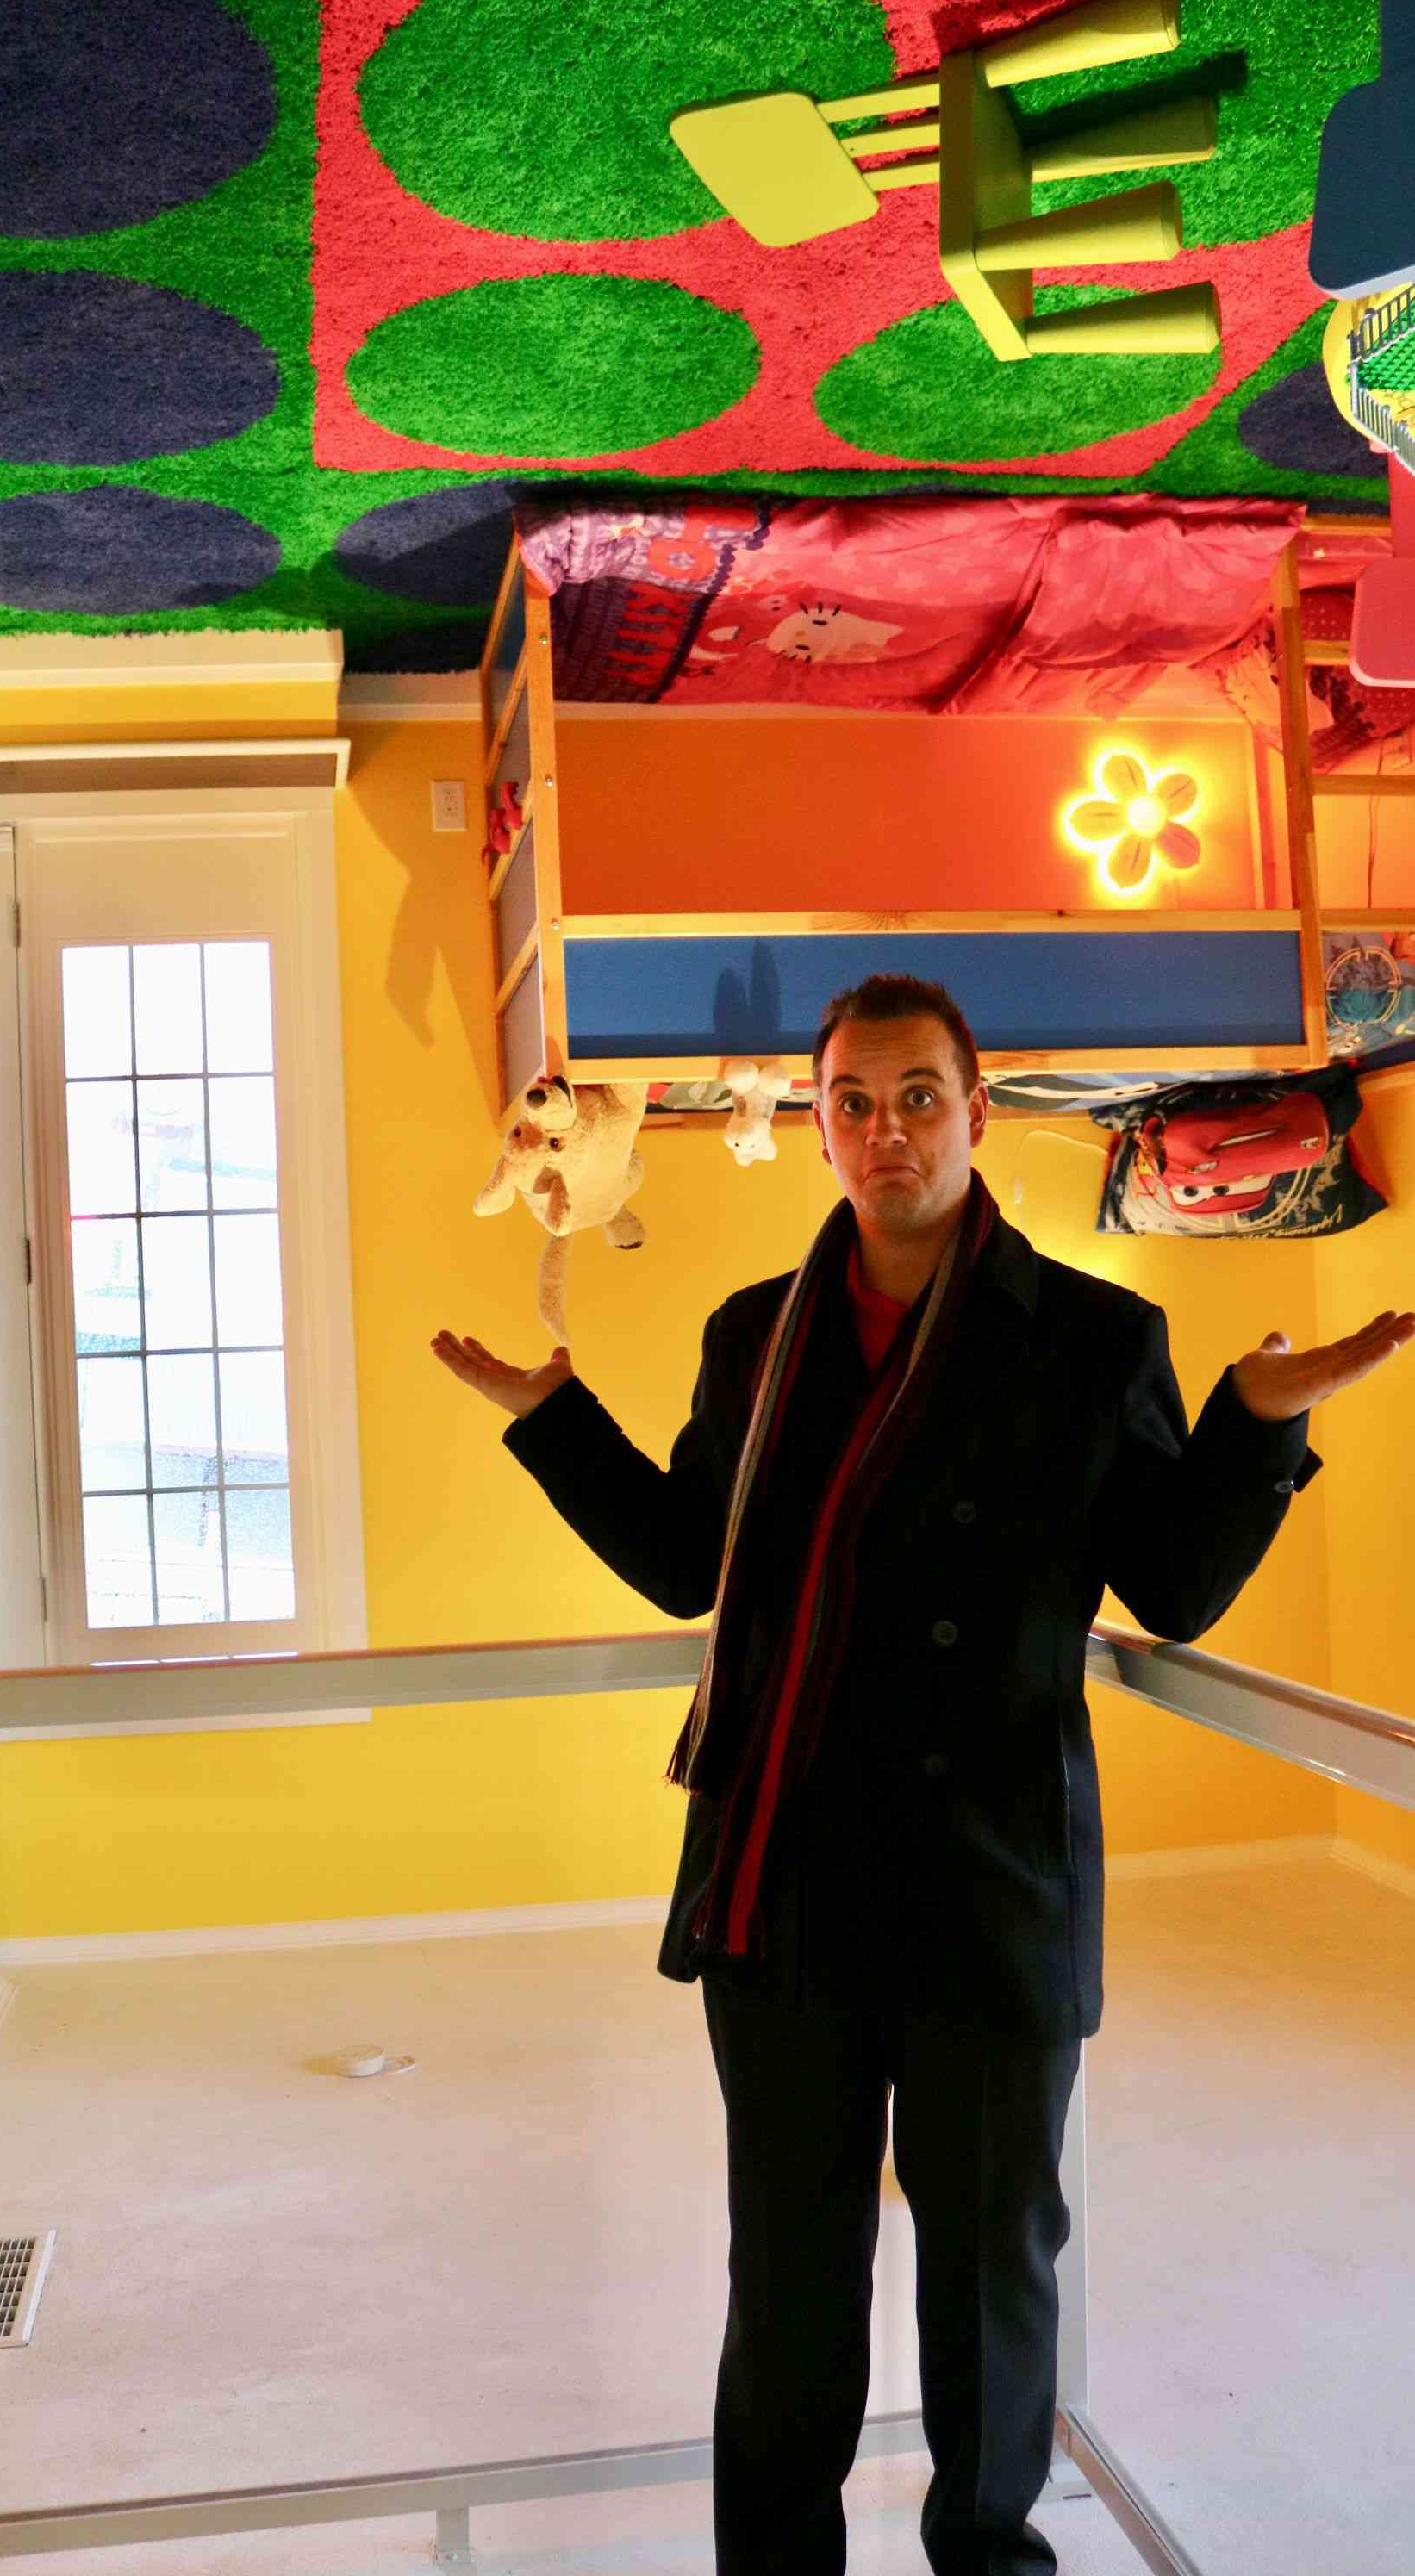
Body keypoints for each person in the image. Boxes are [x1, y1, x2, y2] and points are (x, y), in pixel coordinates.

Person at [431, 974, 1414, 2576]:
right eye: (852, 1101)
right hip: (786, 1879)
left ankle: (989, 2557)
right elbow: (689, 1561)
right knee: (790, 2278)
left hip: (991, 1871)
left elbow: (1172, 1586)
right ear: (821, 1125)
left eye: (916, 1097)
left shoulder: (1096, 1336)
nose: (884, 1129)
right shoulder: (756, 1332)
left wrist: (1255, 1421)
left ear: (976, 1112)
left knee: (989, 2279)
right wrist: (556, 1424)